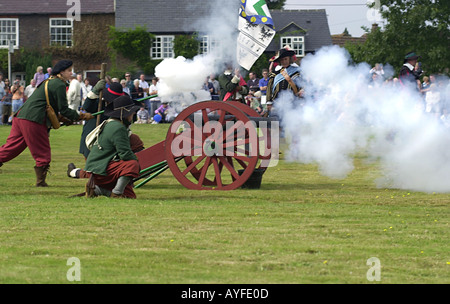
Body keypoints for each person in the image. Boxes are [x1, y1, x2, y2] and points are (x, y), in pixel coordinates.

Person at [0, 60, 94, 187]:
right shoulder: (59, 84)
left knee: (11, 147)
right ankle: (40, 182)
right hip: (34, 119)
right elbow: (64, 109)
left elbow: (54, 108)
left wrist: (64, 118)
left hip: (21, 116)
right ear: (61, 72)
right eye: (69, 70)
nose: (71, 73)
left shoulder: (50, 81)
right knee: (42, 152)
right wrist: (82, 116)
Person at [82, 95, 141, 199]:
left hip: (101, 167)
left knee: (130, 197)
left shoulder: (112, 124)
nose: (134, 113)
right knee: (132, 165)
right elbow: (125, 154)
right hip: (101, 169)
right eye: (132, 111)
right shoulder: (118, 128)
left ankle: (96, 190)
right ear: (125, 113)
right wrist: (137, 163)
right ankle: (116, 194)